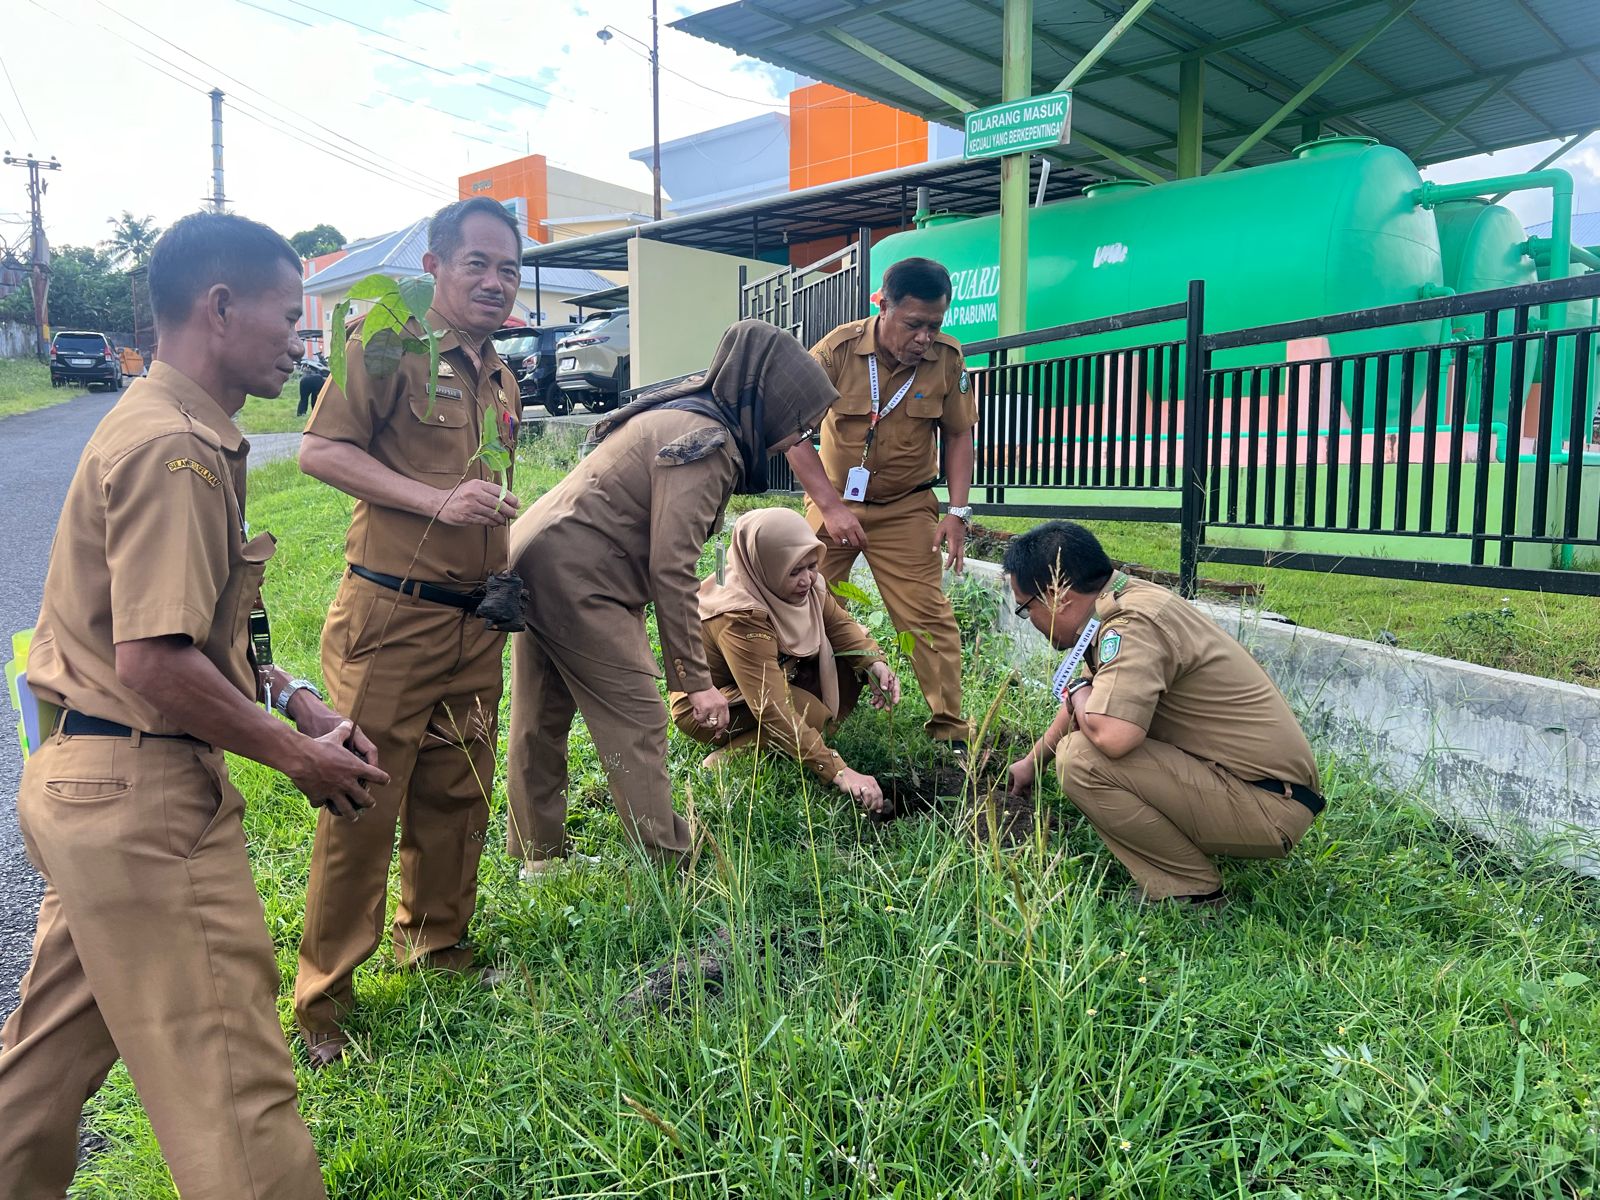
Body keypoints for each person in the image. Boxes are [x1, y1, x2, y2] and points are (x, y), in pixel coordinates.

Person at [0, 212, 387, 1199]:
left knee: (39, 1072)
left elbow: (199, 636)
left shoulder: (169, 427)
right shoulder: (175, 448)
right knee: (235, 1096)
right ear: (220, 308)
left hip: (84, 790)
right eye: (290, 319)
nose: (299, 343)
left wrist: (292, 697)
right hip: (144, 808)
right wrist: (296, 759)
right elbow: (155, 661)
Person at [292, 196, 524, 1067]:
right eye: (478, 264)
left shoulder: (496, 371)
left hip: (477, 621)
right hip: (393, 619)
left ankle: (437, 946)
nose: (496, 282)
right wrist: (436, 501)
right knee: (361, 800)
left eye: (507, 269)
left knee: (456, 790)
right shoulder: (388, 342)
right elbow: (320, 451)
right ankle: (323, 1004)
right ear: (435, 267)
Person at [505, 320, 838, 875]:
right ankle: (671, 862)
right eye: (799, 421)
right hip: (583, 574)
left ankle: (539, 859)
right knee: (638, 715)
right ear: (767, 400)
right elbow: (672, 565)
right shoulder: (710, 444)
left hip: (540, 554)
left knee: (541, 714)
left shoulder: (689, 418)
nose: (800, 437)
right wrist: (694, 681)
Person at [1003, 521, 1323, 905]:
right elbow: (1087, 697)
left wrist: (1080, 694)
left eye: (1026, 609)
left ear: (1057, 596)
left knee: (1082, 759)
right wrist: (1031, 762)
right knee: (1085, 735)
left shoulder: (1132, 624)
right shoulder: (1119, 603)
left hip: (1268, 808)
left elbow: (1113, 735)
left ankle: (1189, 889)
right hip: (1265, 791)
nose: (1031, 621)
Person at [785, 256, 976, 752]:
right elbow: (789, 432)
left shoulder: (948, 361)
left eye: (935, 325)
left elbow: (958, 435)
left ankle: (950, 730)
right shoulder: (836, 351)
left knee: (926, 614)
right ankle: (813, 715)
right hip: (832, 503)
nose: (924, 338)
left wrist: (957, 513)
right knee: (811, 604)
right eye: (914, 324)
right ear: (882, 305)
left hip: (906, 507)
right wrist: (829, 508)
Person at [669, 507, 902, 812]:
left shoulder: (799, 584)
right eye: (794, 571)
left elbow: (839, 625)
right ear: (766, 566)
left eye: (811, 566)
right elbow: (771, 706)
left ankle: (792, 739)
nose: (807, 579)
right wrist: (839, 771)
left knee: (849, 662)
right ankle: (729, 756)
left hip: (772, 672)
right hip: (710, 707)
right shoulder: (741, 616)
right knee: (810, 714)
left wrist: (875, 664)